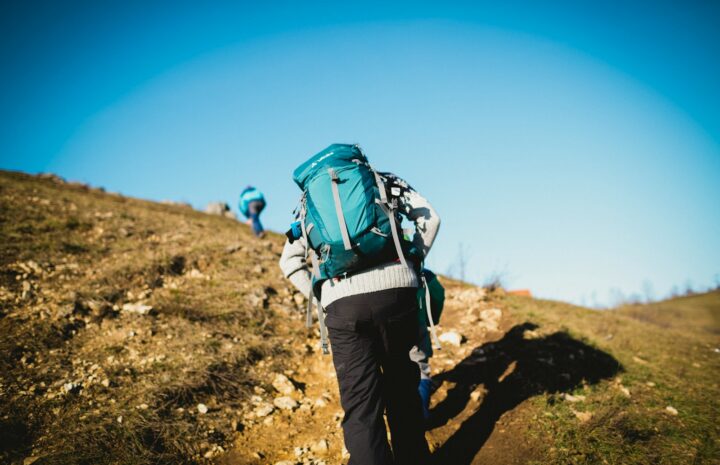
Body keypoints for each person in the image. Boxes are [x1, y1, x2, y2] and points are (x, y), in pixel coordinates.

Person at [279, 151, 440, 465]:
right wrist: (411, 263)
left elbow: (289, 262)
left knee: (361, 408)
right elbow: (430, 218)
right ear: (358, 160)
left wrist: (324, 297)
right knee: (402, 394)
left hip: (343, 304)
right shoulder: (382, 180)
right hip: (397, 294)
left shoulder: (306, 203)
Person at [410, 268, 445, 420]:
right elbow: (438, 293)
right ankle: (420, 416)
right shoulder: (421, 271)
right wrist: (432, 318)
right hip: (415, 323)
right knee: (419, 367)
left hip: (381, 324)